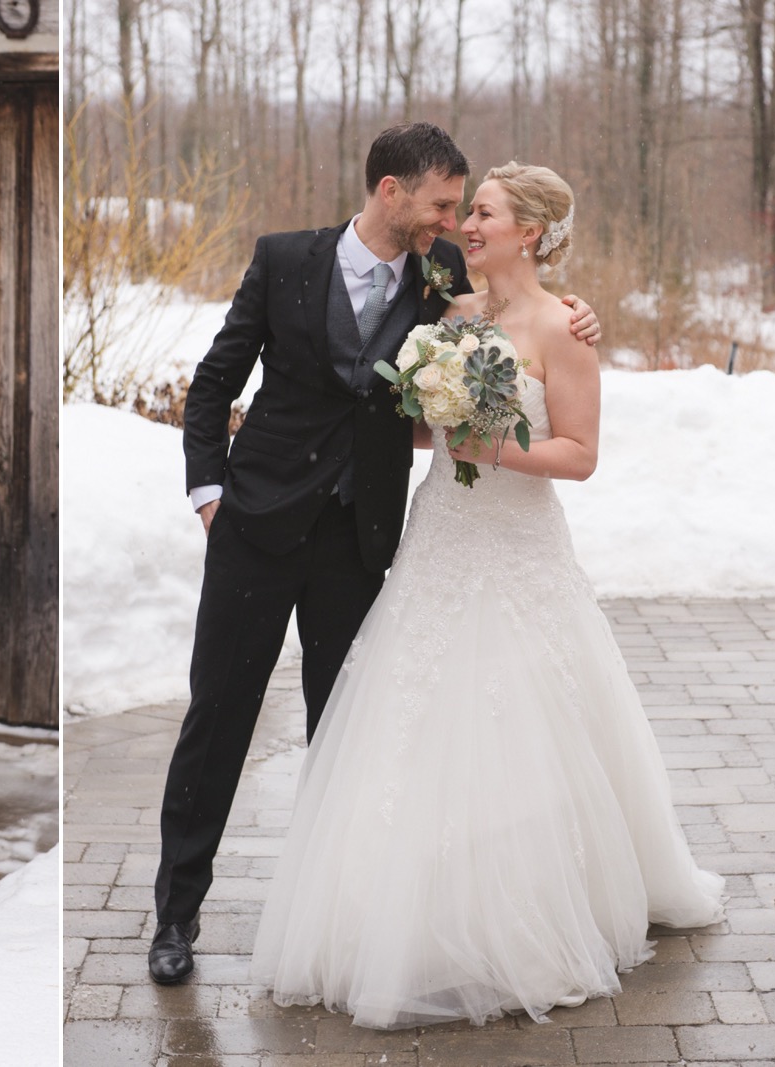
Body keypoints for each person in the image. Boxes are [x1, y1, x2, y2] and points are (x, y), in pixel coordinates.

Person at [250, 162, 726, 1027]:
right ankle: (398, 917)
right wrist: (437, 420)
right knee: (414, 715)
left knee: (524, 723)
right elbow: (421, 419)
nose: (468, 223)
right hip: (440, 540)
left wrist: (489, 443)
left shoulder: (564, 326)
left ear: (530, 232)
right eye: (468, 210)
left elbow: (579, 454)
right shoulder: (447, 313)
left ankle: (530, 910)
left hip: (518, 546)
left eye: (485, 212)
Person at [150, 123, 602, 984]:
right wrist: (208, 493)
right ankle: (176, 913)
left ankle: (332, 912)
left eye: (461, 208)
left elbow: (524, 316)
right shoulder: (283, 259)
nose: (450, 220)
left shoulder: (444, 285)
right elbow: (215, 381)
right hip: (253, 528)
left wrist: (580, 311)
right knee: (218, 719)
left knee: (348, 727)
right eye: (439, 203)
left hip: (359, 541)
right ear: (390, 190)